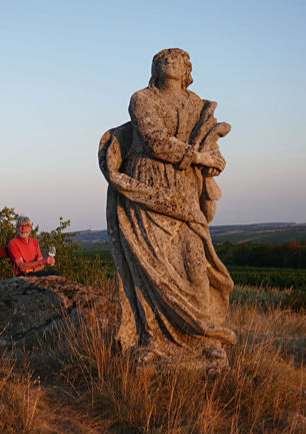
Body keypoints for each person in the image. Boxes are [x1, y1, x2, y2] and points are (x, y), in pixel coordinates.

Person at [99, 48, 236, 368]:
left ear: (188, 68)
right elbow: (155, 141)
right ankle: (153, 341)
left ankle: (204, 338)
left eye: (177, 58)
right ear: (154, 68)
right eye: (162, 58)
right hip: (148, 188)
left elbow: (208, 145)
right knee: (152, 269)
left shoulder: (196, 104)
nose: (169, 61)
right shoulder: (142, 99)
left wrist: (214, 160)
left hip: (184, 191)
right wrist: (199, 157)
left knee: (194, 262)